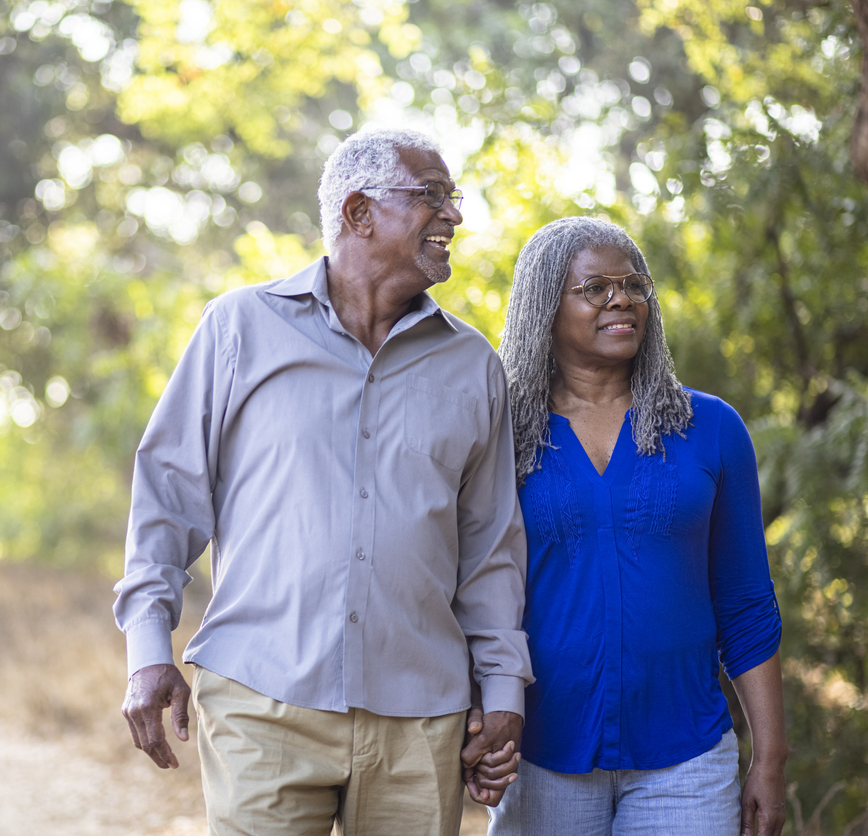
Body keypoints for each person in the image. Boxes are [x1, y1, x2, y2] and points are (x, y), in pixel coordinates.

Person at [112, 128, 533, 836]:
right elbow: (166, 498)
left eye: (451, 198)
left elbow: (488, 548)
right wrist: (147, 651)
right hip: (259, 699)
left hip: (419, 718)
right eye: (431, 196)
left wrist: (500, 691)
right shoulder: (238, 328)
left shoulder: (473, 366)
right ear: (359, 213)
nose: (453, 216)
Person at [489, 216, 788, 836]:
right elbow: (469, 593)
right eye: (595, 288)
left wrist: (771, 758)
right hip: (540, 759)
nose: (621, 298)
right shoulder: (500, 436)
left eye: (633, 285)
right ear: (546, 305)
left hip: (687, 764)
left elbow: (747, 604)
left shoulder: (710, 428)